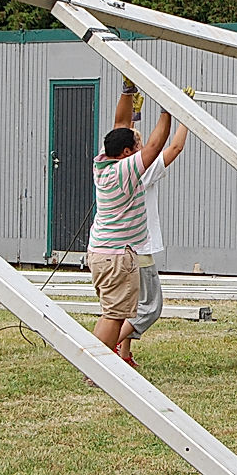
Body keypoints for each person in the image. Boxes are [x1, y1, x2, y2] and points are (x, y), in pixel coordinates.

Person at [86, 78, 171, 362]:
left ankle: (96, 364)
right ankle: (97, 367)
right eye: (136, 144)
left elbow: (121, 123)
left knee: (112, 313)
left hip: (103, 253)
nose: (139, 143)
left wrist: (127, 91)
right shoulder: (124, 170)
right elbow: (157, 145)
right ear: (126, 153)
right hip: (117, 257)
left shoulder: (104, 161)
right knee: (114, 316)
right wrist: (167, 110)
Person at [113, 82, 193, 368]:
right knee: (148, 308)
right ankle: (107, 348)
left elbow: (121, 127)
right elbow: (173, 146)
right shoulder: (142, 170)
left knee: (123, 306)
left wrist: (130, 100)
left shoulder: (110, 164)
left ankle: (123, 354)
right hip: (139, 248)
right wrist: (182, 114)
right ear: (132, 151)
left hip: (113, 249)